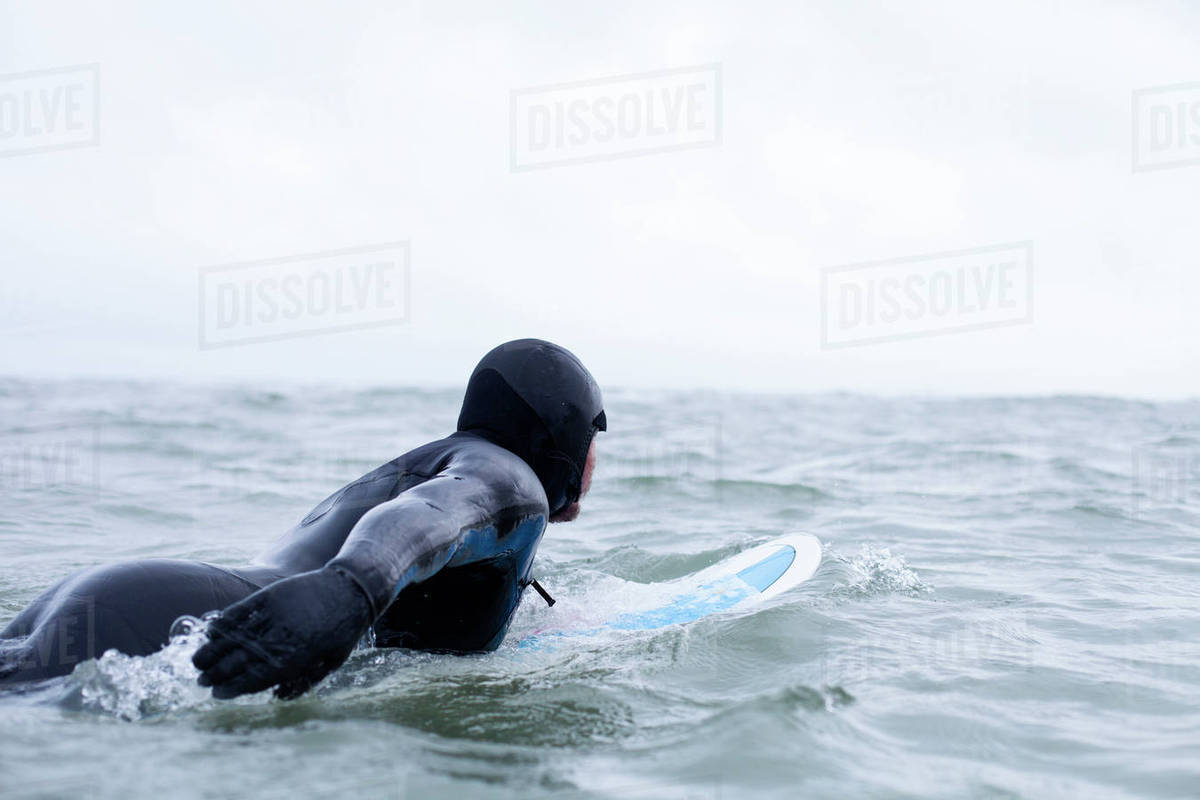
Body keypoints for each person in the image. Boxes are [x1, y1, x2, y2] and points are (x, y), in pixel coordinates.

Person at [0, 339, 606, 699]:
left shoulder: (437, 464)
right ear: (567, 432)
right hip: (165, 628)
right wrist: (352, 590)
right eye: (596, 438)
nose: (597, 461)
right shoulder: (511, 483)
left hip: (129, 603)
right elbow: (427, 516)